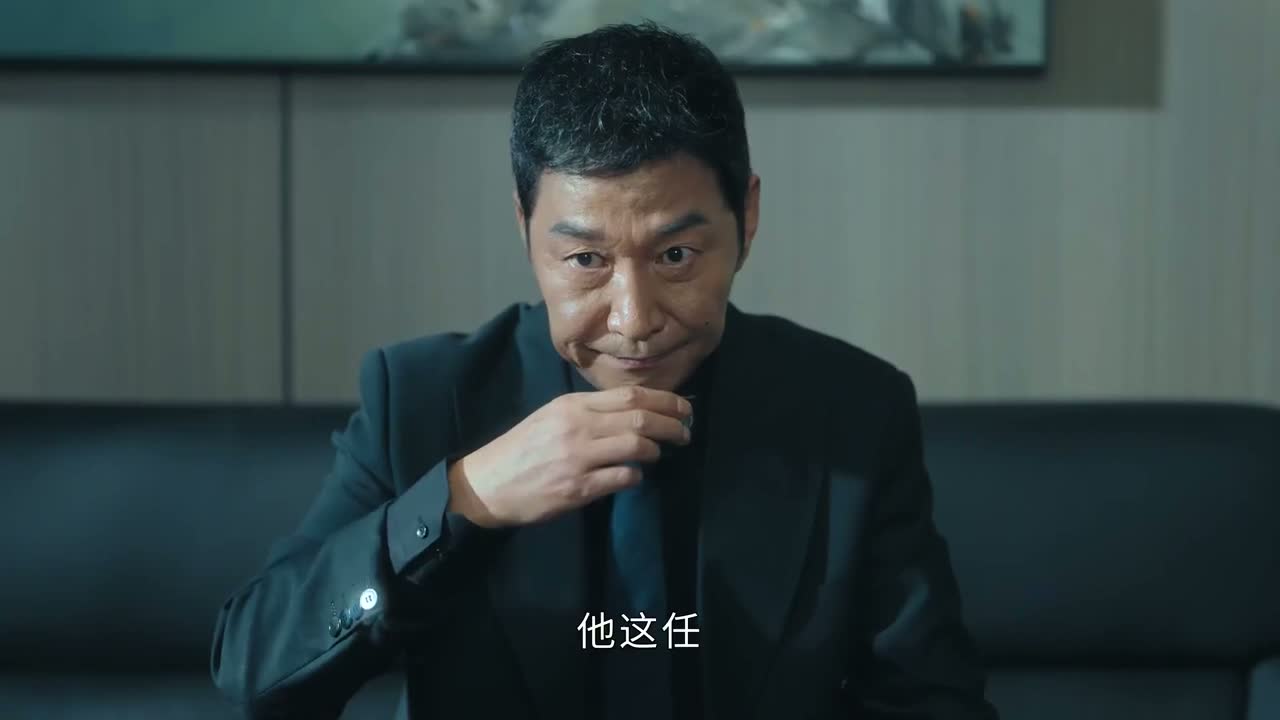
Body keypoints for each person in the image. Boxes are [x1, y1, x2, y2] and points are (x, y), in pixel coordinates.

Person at [210, 22, 998, 720]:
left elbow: (931, 701)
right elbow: (257, 675)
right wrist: (463, 499)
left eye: (676, 255)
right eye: (586, 260)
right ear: (525, 227)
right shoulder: (423, 398)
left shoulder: (851, 410)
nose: (634, 319)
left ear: (748, 218)